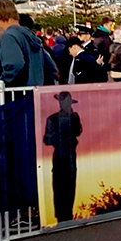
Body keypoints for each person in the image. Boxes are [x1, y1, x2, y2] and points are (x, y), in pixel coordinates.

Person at [0, 0, 58, 87]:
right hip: (35, 94)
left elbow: (15, 65)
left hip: (17, 96)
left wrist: (0, 84)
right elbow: (51, 68)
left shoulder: (9, 36)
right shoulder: (31, 36)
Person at [44, 91, 82, 223]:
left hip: (70, 155)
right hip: (60, 156)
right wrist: (58, 138)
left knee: (70, 185)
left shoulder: (74, 117)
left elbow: (78, 131)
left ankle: (68, 215)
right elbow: (47, 139)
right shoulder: (53, 119)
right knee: (60, 186)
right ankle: (61, 217)